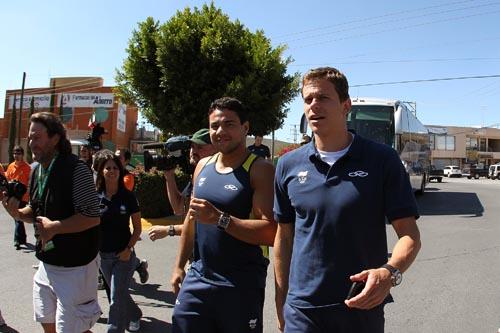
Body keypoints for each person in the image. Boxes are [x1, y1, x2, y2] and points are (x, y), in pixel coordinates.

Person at [273, 67, 422, 333]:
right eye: (308, 100)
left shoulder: (382, 160)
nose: (313, 106)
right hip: (302, 311)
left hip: (361, 306)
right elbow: (283, 238)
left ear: (346, 106)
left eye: (322, 98)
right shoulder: (287, 165)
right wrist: (280, 299)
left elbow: (409, 236)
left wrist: (390, 272)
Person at [170, 97, 276, 333]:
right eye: (215, 125)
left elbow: (270, 232)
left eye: (229, 124)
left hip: (240, 284)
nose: (220, 131)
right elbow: (191, 218)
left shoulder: (259, 169)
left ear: (245, 128)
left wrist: (220, 219)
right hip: (198, 276)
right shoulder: (202, 165)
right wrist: (178, 266)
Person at [2, 112, 101, 333]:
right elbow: (34, 210)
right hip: (47, 263)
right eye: (29, 138)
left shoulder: (77, 169)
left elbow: (92, 216)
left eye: (37, 137)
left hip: (76, 267)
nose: (31, 143)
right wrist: (17, 212)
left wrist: (55, 227)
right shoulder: (36, 170)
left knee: (74, 329)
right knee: (48, 324)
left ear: (55, 139)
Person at [96, 154, 143, 332]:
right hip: (103, 257)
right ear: (102, 171)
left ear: (120, 171)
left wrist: (128, 249)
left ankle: (114, 329)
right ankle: (135, 313)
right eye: (108, 168)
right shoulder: (95, 196)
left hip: (123, 256)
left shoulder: (128, 196)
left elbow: (137, 228)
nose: (112, 171)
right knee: (120, 293)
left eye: (115, 168)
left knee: (115, 298)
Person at [148, 128, 216, 241]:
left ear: (214, 150)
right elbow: (179, 208)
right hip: (194, 252)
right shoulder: (195, 175)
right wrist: (169, 176)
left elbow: (203, 225)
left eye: (200, 147)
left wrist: (169, 230)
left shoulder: (213, 178)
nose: (194, 151)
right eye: (192, 147)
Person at [114, 148, 149, 284]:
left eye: (119, 158)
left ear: (127, 161)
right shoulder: (108, 173)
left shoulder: (128, 177)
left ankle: (138, 265)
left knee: (124, 248)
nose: (116, 160)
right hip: (106, 218)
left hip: (121, 219)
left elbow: (120, 192)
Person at [5, 145, 31, 250]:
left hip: (23, 197)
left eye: (18, 153)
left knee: (17, 217)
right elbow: (7, 179)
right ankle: (22, 238)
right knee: (18, 218)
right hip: (13, 197)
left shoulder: (27, 167)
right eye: (15, 153)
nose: (16, 155)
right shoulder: (11, 166)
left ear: (22, 155)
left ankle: (17, 240)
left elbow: (30, 183)